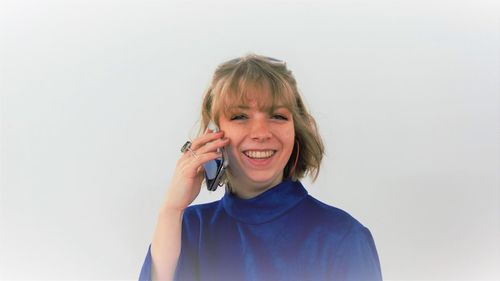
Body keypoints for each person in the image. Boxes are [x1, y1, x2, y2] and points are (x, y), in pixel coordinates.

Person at [139, 54, 383, 281]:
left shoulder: (344, 237)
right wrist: (171, 209)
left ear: (296, 131)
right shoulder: (191, 229)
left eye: (277, 116)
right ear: (213, 134)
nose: (261, 133)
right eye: (239, 117)